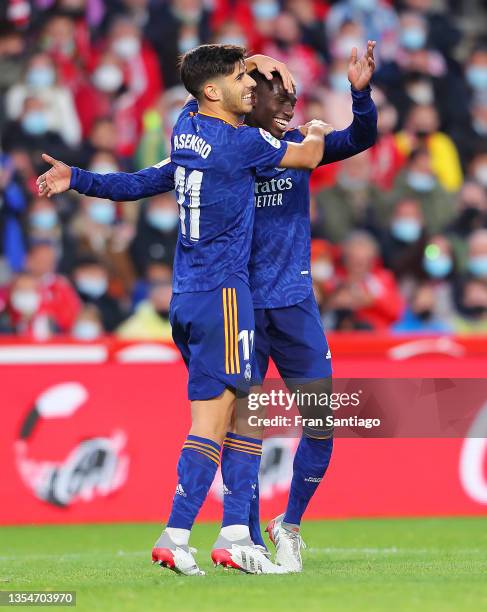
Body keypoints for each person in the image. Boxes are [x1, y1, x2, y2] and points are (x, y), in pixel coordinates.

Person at [36, 46, 329, 575]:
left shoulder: (185, 124)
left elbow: (142, 181)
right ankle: (178, 534)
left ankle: (237, 533)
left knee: (244, 410)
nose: (251, 86)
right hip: (225, 296)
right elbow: (307, 157)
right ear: (213, 92)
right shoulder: (240, 144)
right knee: (213, 425)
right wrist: (316, 131)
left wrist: (78, 178)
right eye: (242, 77)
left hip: (186, 296)